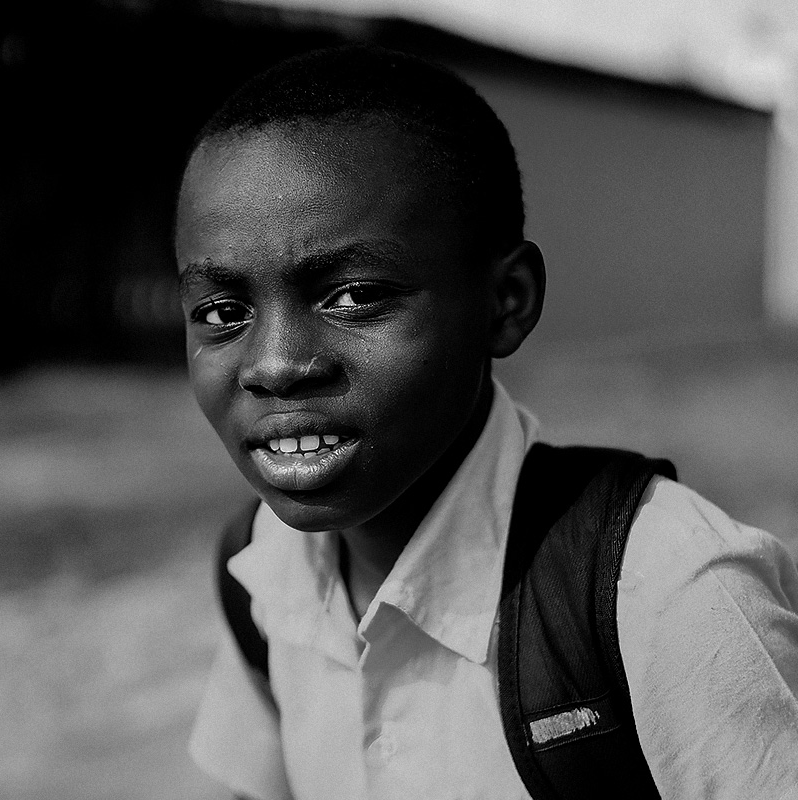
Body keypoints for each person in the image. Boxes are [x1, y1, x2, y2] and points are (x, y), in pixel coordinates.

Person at [174, 45, 798, 800]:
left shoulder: (671, 599)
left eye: (354, 294)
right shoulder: (262, 568)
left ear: (507, 301)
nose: (273, 364)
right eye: (222, 312)